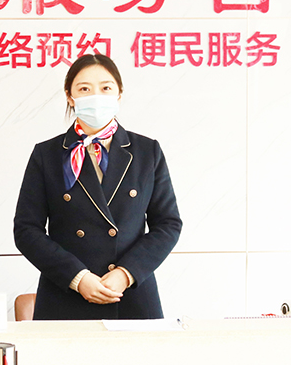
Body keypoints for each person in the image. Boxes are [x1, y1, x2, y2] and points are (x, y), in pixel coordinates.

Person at [13, 55, 182, 320]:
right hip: (66, 296)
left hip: (131, 295)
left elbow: (168, 224)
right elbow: (26, 229)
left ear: (119, 94)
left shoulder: (146, 151)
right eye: (84, 89)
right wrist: (77, 277)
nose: (95, 96)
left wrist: (126, 273)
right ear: (70, 96)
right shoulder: (47, 154)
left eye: (105, 88)